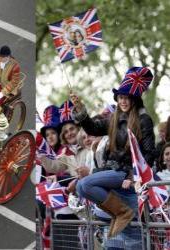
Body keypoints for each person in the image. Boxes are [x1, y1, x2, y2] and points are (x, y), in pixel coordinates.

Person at [72, 66, 155, 238]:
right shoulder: (113, 119)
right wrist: (81, 110)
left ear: (134, 100)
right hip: (110, 170)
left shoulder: (144, 120)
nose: (123, 101)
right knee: (81, 187)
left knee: (85, 184)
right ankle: (120, 212)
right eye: (120, 97)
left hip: (124, 173)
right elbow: (93, 129)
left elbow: (148, 154)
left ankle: (122, 212)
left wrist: (132, 176)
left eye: (127, 98)